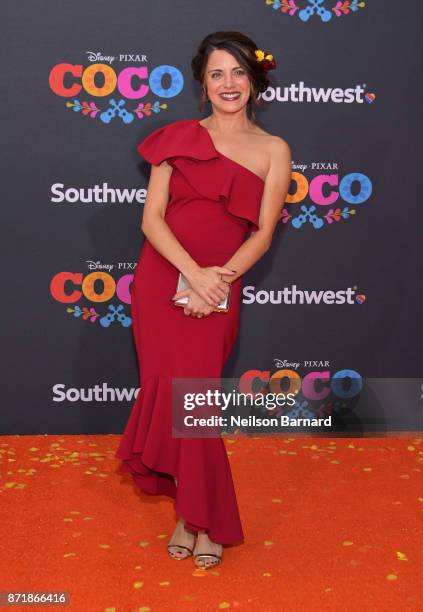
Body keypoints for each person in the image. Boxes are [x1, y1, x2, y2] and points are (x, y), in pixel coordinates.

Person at [115, 30, 292, 569]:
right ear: (203, 82)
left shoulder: (273, 150)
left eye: (238, 72)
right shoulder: (174, 138)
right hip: (162, 280)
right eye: (217, 74)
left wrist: (218, 282)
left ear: (255, 79)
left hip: (222, 283)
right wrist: (193, 275)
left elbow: (262, 233)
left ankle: (205, 520)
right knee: (171, 398)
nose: (228, 84)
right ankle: (189, 515)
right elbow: (152, 220)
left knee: (196, 405)